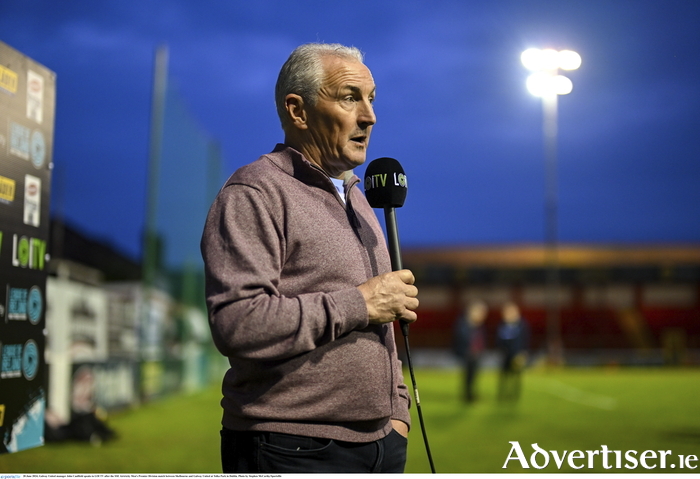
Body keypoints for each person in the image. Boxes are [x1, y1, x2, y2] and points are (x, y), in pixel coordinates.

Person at [200, 43, 419, 473]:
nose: (369, 115)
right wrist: (360, 303)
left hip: (379, 443)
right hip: (291, 446)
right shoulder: (255, 193)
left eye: (372, 98)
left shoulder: (360, 201)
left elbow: (384, 327)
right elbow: (238, 323)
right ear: (298, 111)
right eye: (350, 97)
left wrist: (398, 415)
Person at [452, 300, 487, 403]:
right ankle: (467, 396)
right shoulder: (464, 324)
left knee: (473, 376)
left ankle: (471, 395)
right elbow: (461, 339)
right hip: (467, 354)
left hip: (476, 354)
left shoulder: (477, 326)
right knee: (468, 376)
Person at [496, 302, 530, 402]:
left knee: (516, 376)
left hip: (517, 354)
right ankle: (502, 395)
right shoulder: (502, 324)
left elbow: (526, 339)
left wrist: (524, 352)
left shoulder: (522, 324)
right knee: (504, 375)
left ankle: (514, 396)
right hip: (505, 354)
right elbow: (498, 339)